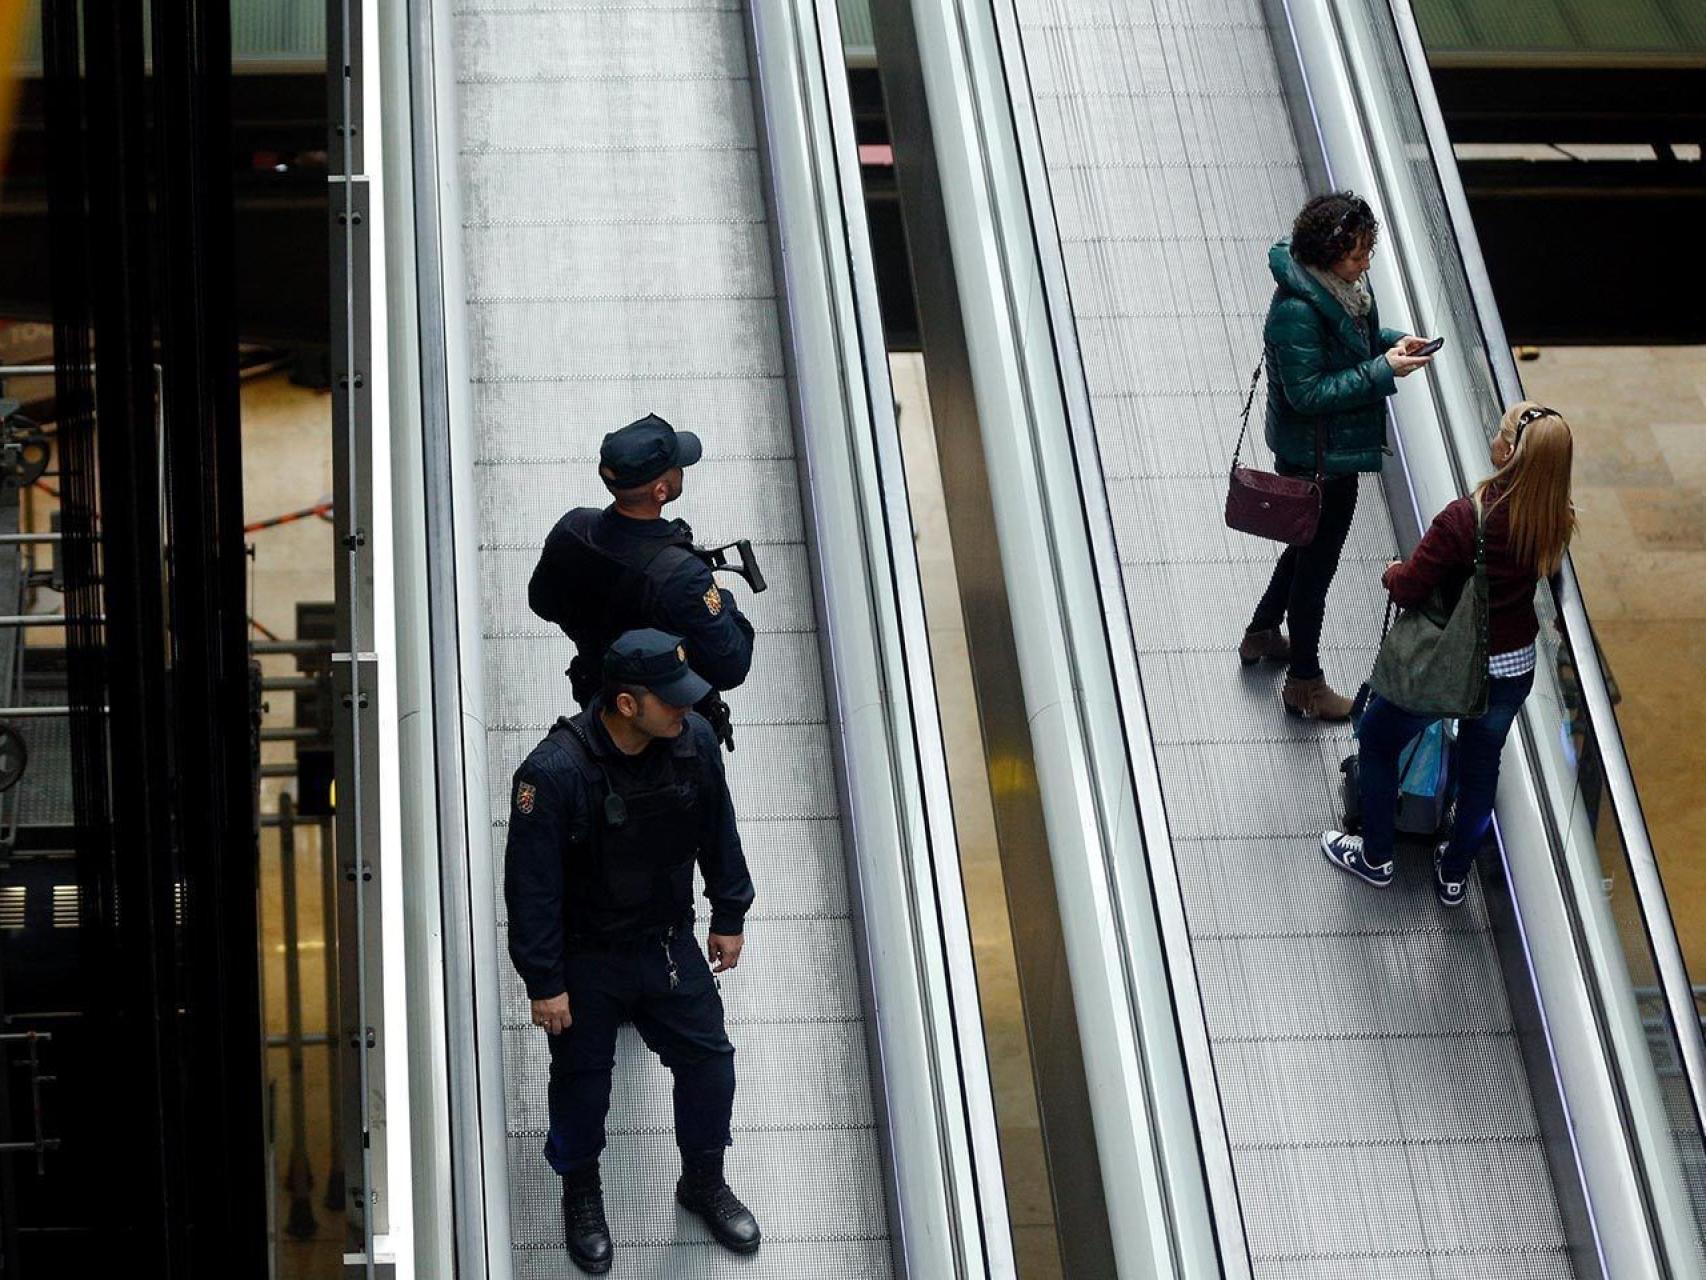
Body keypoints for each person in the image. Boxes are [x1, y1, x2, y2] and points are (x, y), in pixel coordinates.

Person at [503, 629, 761, 1274]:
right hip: (586, 958)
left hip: (666, 940)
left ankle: (702, 1177)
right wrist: (544, 983)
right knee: (583, 1084)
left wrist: (729, 910)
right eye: (669, 700)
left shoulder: (693, 740)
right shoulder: (551, 773)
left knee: (709, 1063)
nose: (684, 708)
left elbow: (717, 827)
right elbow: (531, 888)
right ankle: (580, 1190)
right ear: (625, 703)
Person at [1322, 402, 1576, 906]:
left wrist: (1391, 571)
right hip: (1513, 668)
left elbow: (1412, 587)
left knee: (1376, 737)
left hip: (1450, 666)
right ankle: (1454, 873)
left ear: (1507, 451)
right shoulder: (1555, 519)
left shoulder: (1467, 518)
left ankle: (1376, 858)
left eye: (1500, 434)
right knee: (1483, 767)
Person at [1241, 192, 1433, 720]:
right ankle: (1304, 682)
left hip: (1330, 455)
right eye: (1356, 254)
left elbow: (1352, 342)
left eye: (1368, 250)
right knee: (1315, 572)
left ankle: (1261, 633)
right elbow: (1308, 394)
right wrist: (1382, 371)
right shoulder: (1297, 311)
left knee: (1305, 548)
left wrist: (1393, 344)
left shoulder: (1339, 291)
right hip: (1317, 462)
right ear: (1327, 255)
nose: (1365, 262)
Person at [528, 413, 756, 747]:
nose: (682, 471)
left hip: (601, 714)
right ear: (661, 491)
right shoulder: (682, 577)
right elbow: (732, 665)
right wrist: (723, 600)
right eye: (678, 467)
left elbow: (541, 602)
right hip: (673, 732)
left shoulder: (573, 529)